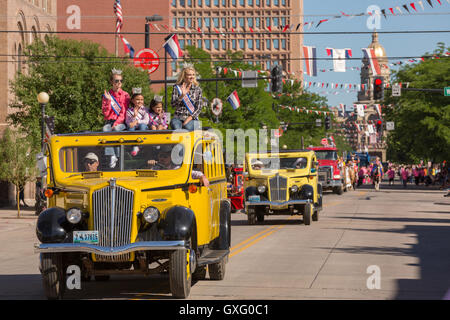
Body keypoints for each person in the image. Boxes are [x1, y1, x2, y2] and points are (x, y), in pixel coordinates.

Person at [102, 69, 130, 168]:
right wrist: (109, 101)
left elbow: (123, 112)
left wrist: (116, 123)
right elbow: (105, 114)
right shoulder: (107, 95)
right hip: (109, 121)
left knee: (117, 130)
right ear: (112, 82)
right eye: (116, 81)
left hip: (121, 122)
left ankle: (119, 156)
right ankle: (112, 155)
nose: (119, 83)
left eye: (120, 81)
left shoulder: (125, 95)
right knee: (106, 129)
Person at [170, 66, 203, 131]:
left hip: (192, 118)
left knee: (187, 127)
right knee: (176, 128)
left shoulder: (198, 89)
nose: (192, 77)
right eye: (189, 75)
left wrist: (189, 119)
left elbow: (199, 108)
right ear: (184, 76)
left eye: (193, 75)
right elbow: (173, 105)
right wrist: (182, 96)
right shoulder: (177, 88)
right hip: (178, 118)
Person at [126, 89, 149, 156]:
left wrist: (136, 121)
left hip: (143, 127)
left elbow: (146, 121)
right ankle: (133, 146)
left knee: (142, 125)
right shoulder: (129, 111)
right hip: (133, 127)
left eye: (142, 100)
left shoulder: (145, 110)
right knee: (131, 128)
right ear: (133, 101)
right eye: (137, 99)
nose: (140, 101)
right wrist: (134, 116)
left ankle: (140, 145)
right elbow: (128, 122)